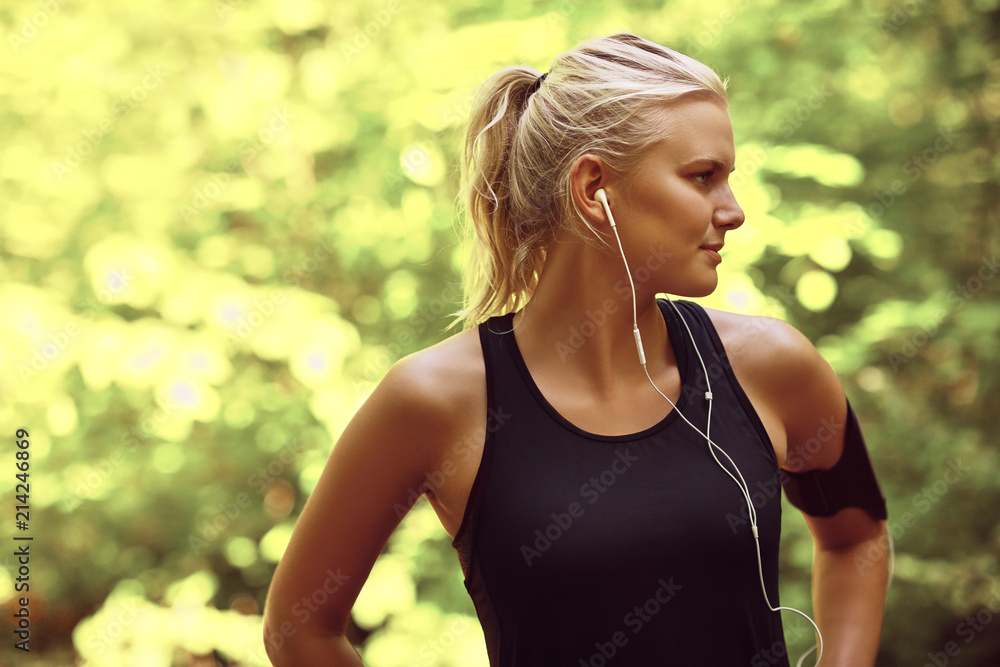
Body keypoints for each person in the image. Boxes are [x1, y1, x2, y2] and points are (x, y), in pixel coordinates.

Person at [262, 32, 890, 666]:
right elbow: (299, 630)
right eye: (703, 178)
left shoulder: (773, 366)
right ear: (594, 188)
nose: (733, 211)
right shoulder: (435, 400)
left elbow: (856, 536)